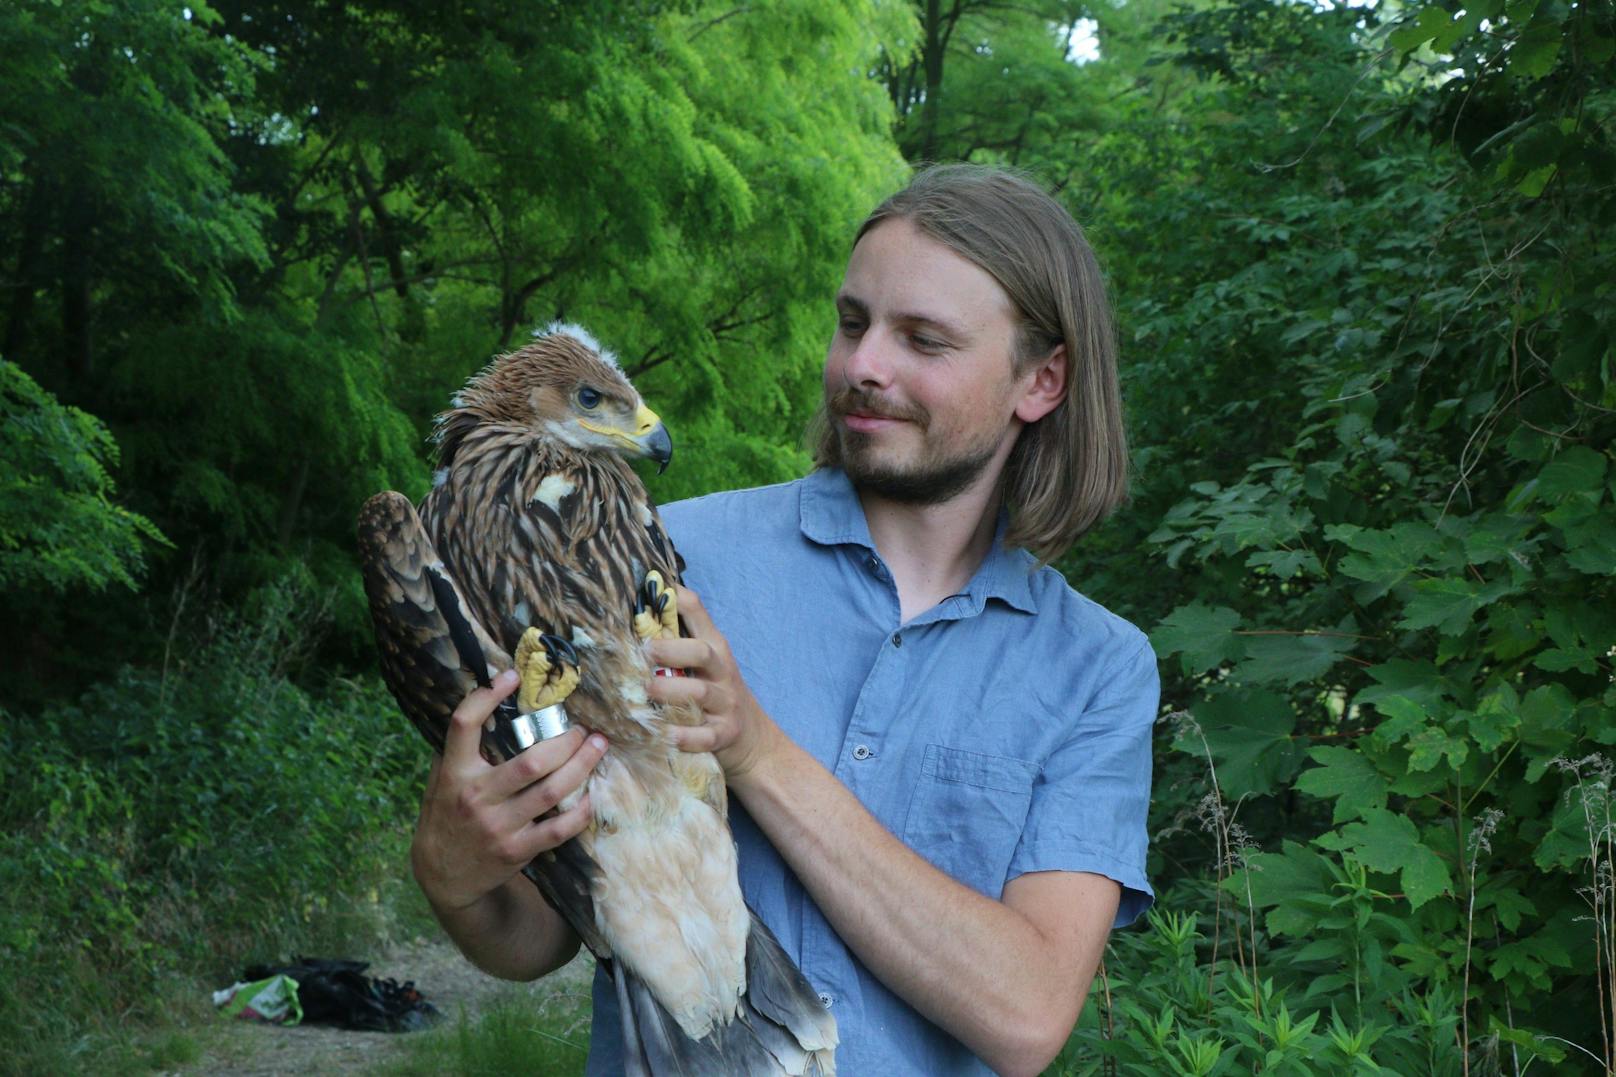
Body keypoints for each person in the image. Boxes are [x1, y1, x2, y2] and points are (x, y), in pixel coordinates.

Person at [409, 164, 1158, 1076]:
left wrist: (756, 753)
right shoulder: (666, 556)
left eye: (923, 339)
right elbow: (538, 936)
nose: (863, 365)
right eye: (854, 322)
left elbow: (1027, 1012)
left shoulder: (1099, 669)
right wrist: (455, 872)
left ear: (1040, 380)